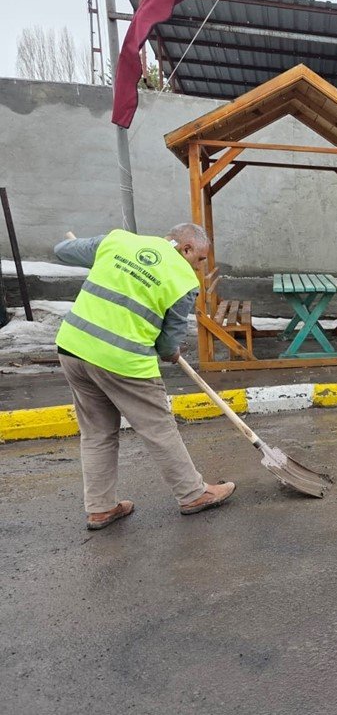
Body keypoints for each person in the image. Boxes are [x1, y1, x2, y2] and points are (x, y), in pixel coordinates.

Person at [54, 224, 236, 530]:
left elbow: (62, 250)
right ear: (186, 248)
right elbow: (166, 345)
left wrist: (106, 259)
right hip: (123, 360)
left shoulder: (118, 241)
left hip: (74, 348)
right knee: (159, 429)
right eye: (201, 258)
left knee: (97, 432)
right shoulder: (182, 281)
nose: (200, 265)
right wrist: (170, 351)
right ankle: (193, 494)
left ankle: (100, 508)